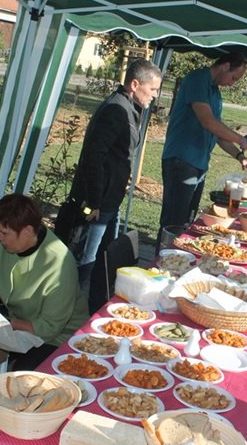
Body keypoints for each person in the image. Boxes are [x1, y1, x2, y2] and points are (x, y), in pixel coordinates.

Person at [61, 58, 162, 314]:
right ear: (135, 84)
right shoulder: (116, 110)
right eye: (152, 90)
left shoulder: (128, 107)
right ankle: (65, 311)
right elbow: (93, 157)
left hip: (109, 198)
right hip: (99, 200)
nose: (155, 96)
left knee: (104, 259)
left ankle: (94, 308)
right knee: (87, 259)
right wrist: (93, 202)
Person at [0, 193, 88, 370]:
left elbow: (49, 327)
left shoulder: (59, 264)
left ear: (27, 231)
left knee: (20, 379)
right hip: (20, 324)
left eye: (3, 233)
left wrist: (5, 324)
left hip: (59, 336)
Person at [157, 52, 247, 250]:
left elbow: (218, 132)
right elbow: (208, 121)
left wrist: (240, 157)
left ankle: (176, 258)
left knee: (188, 220)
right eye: (233, 77)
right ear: (224, 66)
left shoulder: (215, 92)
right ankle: (161, 261)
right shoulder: (197, 80)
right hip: (182, 159)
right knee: (174, 221)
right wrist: (242, 141)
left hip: (199, 163)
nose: (232, 84)